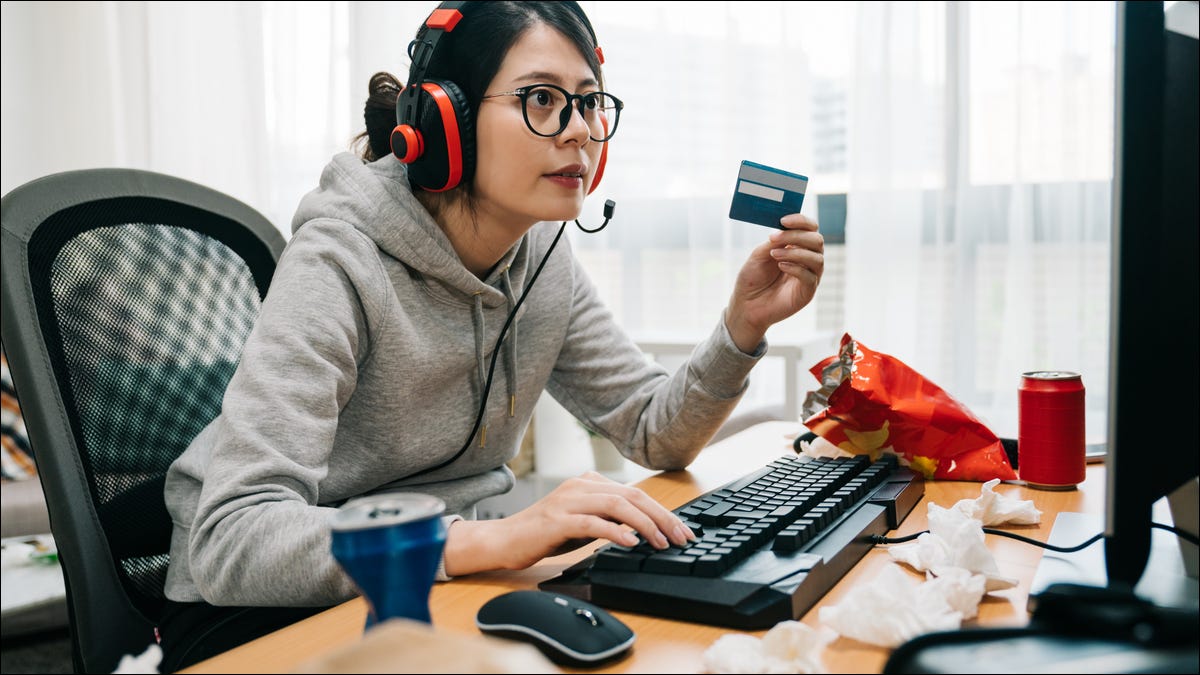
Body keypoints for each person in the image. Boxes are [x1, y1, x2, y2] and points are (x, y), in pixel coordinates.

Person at [157, 1, 824, 670]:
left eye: (589, 103)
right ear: (450, 122)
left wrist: (743, 325)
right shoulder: (338, 261)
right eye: (542, 99)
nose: (580, 133)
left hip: (429, 585)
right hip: (258, 616)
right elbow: (231, 538)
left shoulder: (541, 252)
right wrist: (493, 538)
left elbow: (656, 431)